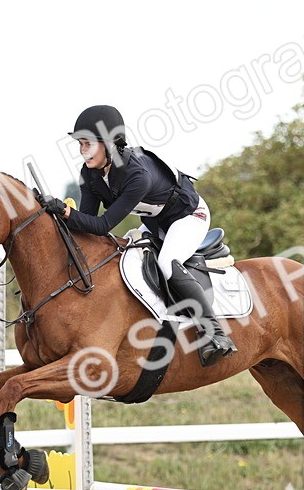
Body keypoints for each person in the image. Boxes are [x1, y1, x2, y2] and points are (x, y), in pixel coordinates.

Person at [41, 105, 237, 367]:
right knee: (124, 258)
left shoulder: (137, 174)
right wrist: (49, 215)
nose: (81, 151)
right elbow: (85, 226)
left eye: (87, 144)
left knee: (167, 262)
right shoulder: (90, 174)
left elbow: (102, 226)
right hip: (156, 222)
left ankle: (216, 334)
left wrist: (65, 210)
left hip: (188, 217)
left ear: (109, 144)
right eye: (80, 144)